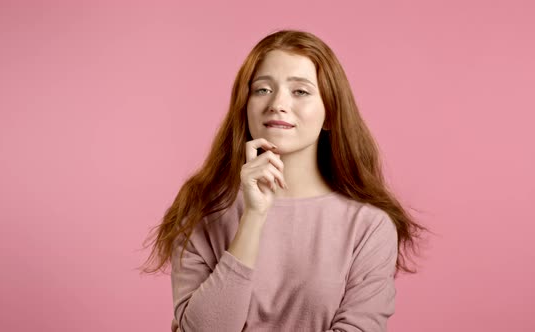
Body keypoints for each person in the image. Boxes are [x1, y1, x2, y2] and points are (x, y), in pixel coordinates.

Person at [140, 29, 429, 332]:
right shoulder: (201, 212)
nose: (277, 103)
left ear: (330, 114)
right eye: (262, 89)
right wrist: (253, 216)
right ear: (244, 105)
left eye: (300, 91)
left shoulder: (369, 227)